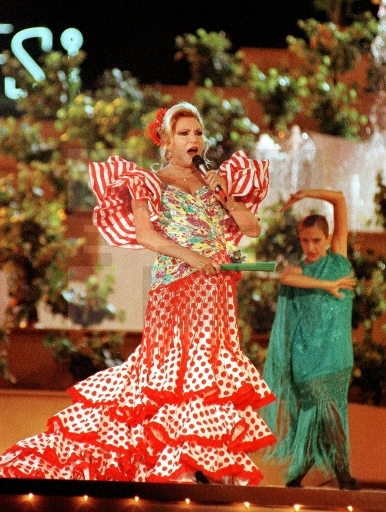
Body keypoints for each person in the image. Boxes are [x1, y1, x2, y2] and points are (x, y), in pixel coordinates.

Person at [0, 101, 276, 485]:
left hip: (215, 293)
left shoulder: (219, 181)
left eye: (198, 132)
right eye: (184, 133)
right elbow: (147, 236)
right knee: (171, 375)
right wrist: (192, 258)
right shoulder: (151, 181)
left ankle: (197, 464)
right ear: (166, 140)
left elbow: (252, 229)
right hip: (175, 289)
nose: (193, 139)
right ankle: (166, 465)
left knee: (208, 374)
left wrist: (225, 198)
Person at [262, 189, 360, 490]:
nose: (311, 246)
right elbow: (286, 278)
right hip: (307, 358)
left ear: (328, 238)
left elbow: (339, 200)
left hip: (338, 355)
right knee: (322, 407)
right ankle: (343, 473)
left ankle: (300, 470)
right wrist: (327, 284)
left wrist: (304, 194)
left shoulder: (339, 258)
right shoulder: (299, 269)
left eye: (316, 240)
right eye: (305, 240)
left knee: (323, 409)